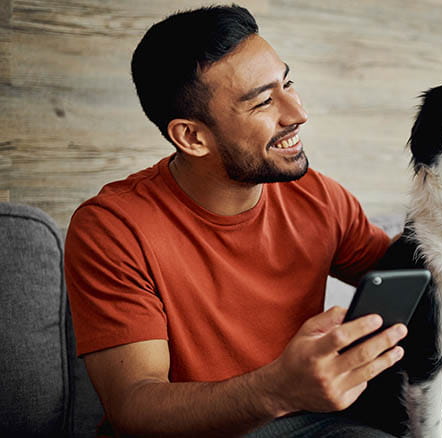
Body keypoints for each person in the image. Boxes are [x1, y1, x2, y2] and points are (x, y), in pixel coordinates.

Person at [64, 5, 406, 437]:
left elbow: (408, 275)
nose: (297, 113)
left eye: (288, 84)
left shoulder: (318, 195)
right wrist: (278, 389)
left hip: (314, 423)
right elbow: (133, 405)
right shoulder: (112, 227)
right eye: (264, 101)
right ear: (192, 137)